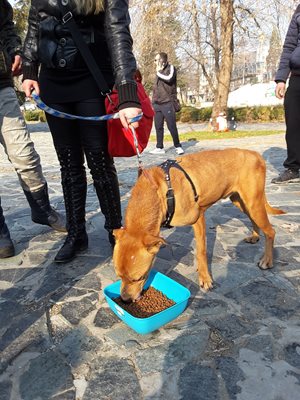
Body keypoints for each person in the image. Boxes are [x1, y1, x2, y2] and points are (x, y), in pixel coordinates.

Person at [22, 0, 141, 263]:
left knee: (99, 160)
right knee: (68, 163)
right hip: (53, 83)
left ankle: (114, 230)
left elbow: (118, 33)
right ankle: (76, 233)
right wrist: (29, 69)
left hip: (92, 79)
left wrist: (127, 92)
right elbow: (34, 26)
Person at [0, 0, 65, 259]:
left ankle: (41, 209)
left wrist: (14, 49)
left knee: (24, 153)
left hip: (1, 86)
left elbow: (6, 26)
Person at [272, 4, 300, 184]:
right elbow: (289, 45)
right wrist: (281, 78)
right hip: (297, 76)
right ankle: (294, 167)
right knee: (293, 123)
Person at [150, 52, 184, 155]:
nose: (155, 62)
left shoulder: (171, 68)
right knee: (158, 126)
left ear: (162, 60)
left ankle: (178, 146)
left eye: (156, 60)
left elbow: (169, 79)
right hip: (157, 103)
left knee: (171, 125)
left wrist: (159, 72)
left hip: (167, 102)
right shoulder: (157, 72)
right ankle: (159, 147)